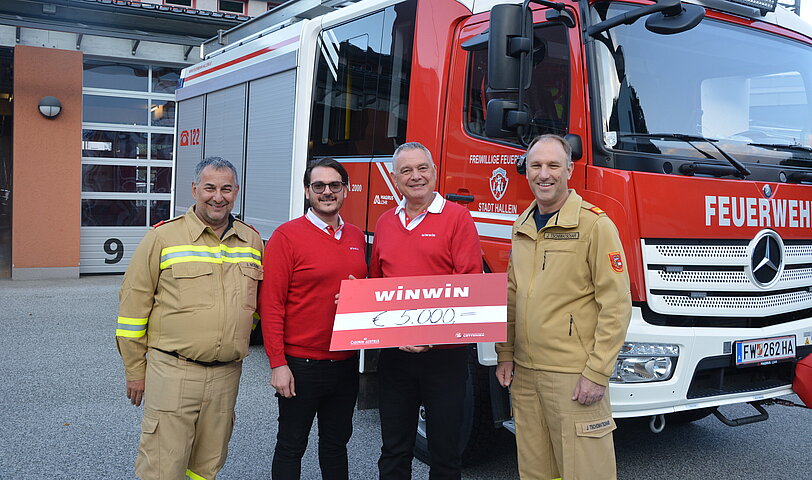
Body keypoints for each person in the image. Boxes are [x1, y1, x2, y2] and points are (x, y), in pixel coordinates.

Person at [115, 156, 263, 480]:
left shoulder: (252, 241)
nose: (217, 196)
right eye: (209, 188)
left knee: (206, 467)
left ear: (236, 191)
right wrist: (135, 371)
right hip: (173, 372)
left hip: (226, 377)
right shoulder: (162, 238)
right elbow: (132, 310)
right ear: (195, 189)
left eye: (226, 189)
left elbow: (259, 307)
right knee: (162, 468)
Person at [495, 134, 632, 480]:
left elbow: (616, 305)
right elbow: (512, 294)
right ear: (525, 170)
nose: (544, 174)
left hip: (573, 376)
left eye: (553, 165)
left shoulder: (594, 226)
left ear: (569, 169)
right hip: (525, 375)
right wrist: (505, 353)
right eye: (536, 165)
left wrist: (597, 372)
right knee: (537, 471)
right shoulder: (522, 225)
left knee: (585, 471)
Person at [370, 142, 482, 480]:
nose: (415, 176)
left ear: (434, 172)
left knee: (445, 453)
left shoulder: (458, 219)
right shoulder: (386, 222)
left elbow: (469, 286)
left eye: (422, 168)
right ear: (395, 177)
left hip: (444, 357)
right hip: (395, 356)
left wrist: (429, 337)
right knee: (394, 449)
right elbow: (377, 283)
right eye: (406, 170)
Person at [259, 158, 367, 479]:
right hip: (301, 365)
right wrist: (278, 364)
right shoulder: (286, 236)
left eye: (335, 185)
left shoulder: (357, 237)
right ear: (307, 192)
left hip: (346, 363)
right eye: (318, 186)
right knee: (291, 446)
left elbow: (367, 290)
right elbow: (271, 305)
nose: (327, 192)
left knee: (336, 445)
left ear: (345, 190)